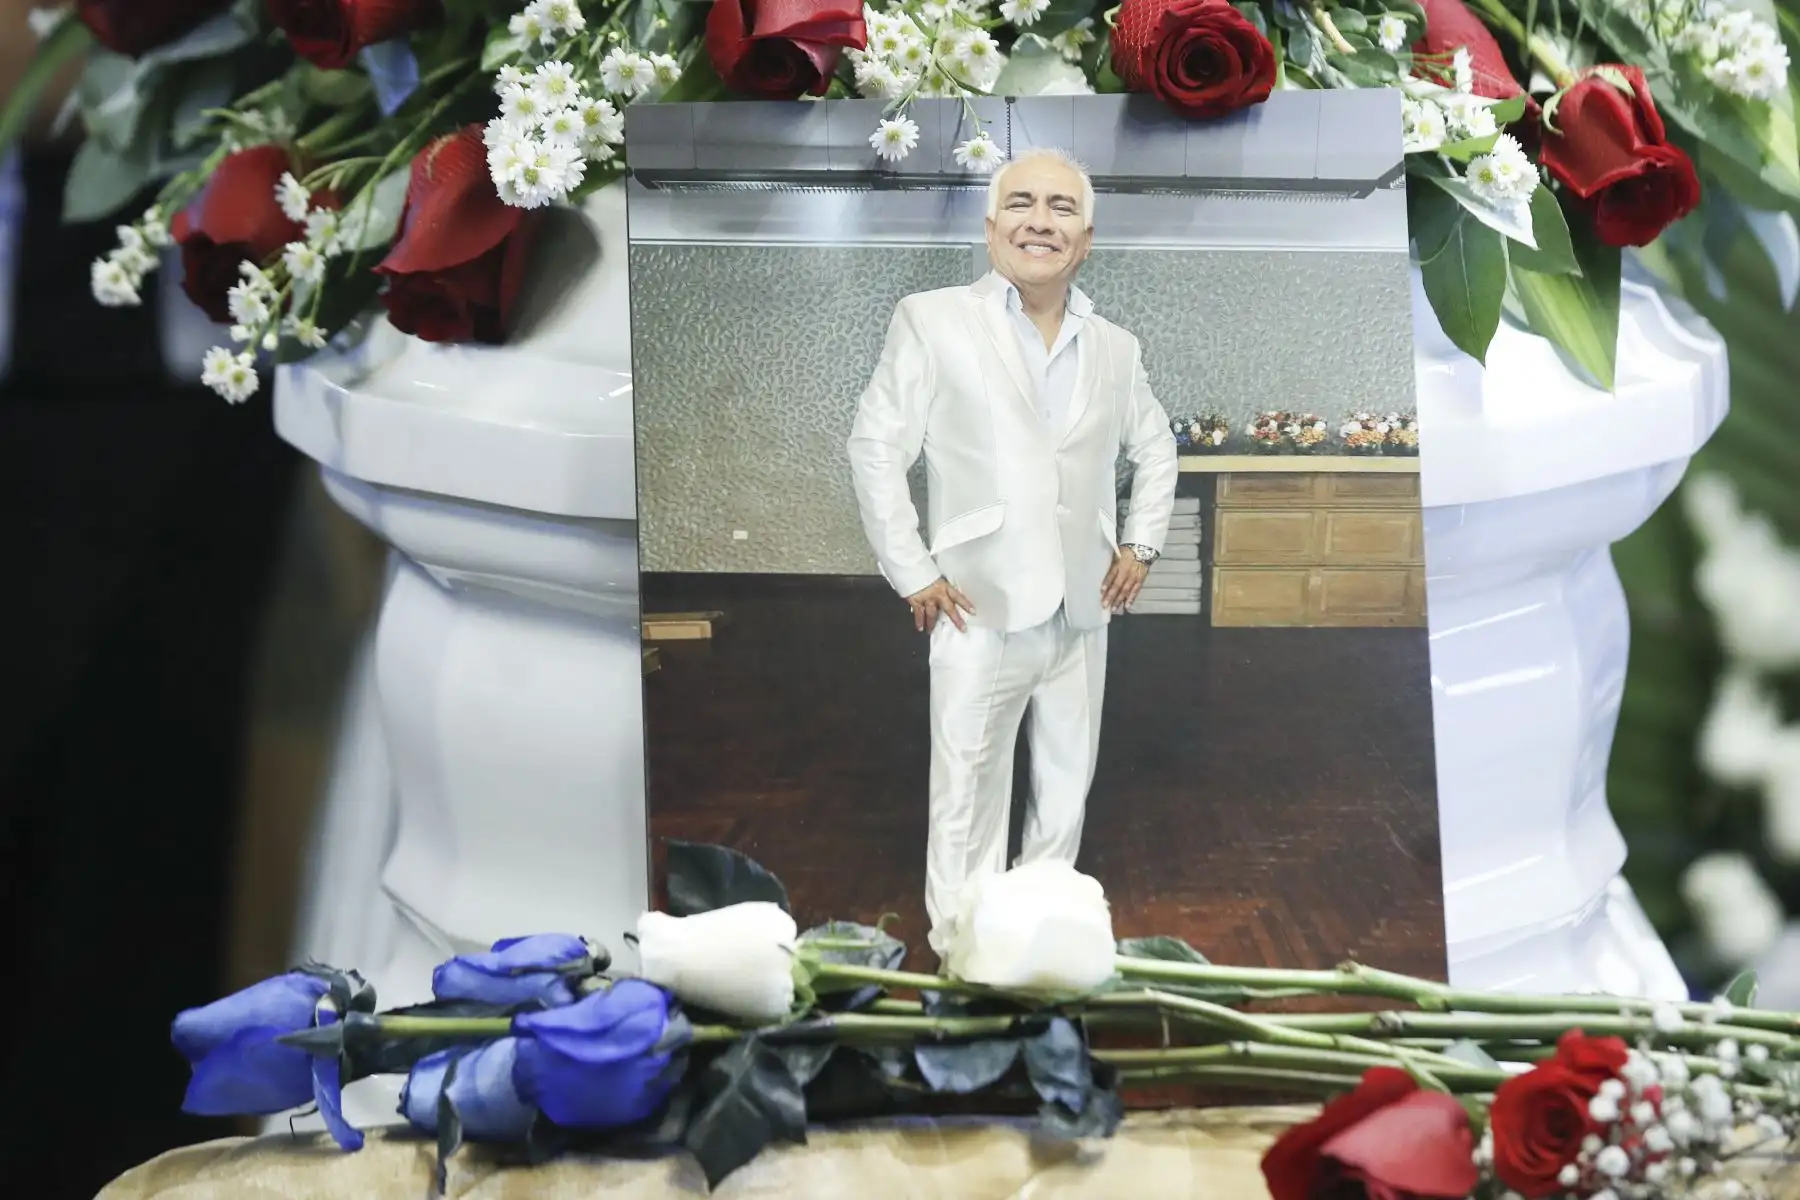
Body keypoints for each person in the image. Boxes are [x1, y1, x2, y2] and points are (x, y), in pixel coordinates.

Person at [846, 147, 1179, 954]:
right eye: (1022, 204)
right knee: (967, 787)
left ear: (1086, 238)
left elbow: (1156, 443)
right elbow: (874, 445)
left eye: (1061, 207)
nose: (1042, 220)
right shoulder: (931, 319)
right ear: (992, 227)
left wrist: (1140, 540)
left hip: (1083, 602)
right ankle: (963, 948)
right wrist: (913, 568)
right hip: (978, 600)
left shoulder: (1116, 346)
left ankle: (1038, 935)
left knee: (1066, 787)